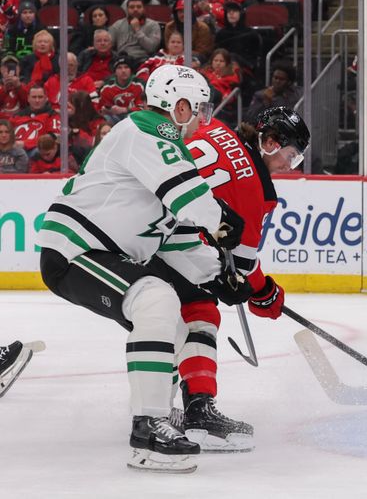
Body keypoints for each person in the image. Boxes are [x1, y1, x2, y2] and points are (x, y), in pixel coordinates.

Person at [37, 64, 250, 473]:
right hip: (76, 250)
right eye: (199, 108)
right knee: (156, 299)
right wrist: (219, 217)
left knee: (175, 327)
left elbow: (179, 238)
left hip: (103, 253)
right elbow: (190, 198)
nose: (202, 119)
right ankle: (147, 426)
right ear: (178, 104)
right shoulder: (147, 127)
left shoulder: (168, 150)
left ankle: (158, 416)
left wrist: (219, 276)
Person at [173, 106, 309, 451]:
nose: (287, 168)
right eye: (290, 157)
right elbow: (244, 266)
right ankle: (198, 408)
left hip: (138, 225)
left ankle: (158, 405)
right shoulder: (257, 192)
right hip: (170, 242)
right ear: (270, 142)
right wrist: (265, 293)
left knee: (167, 315)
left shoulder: (215, 127)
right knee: (201, 312)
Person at [108, 0, 162, 67]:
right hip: (121, 60)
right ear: (127, 9)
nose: (135, 9)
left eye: (139, 7)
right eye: (132, 7)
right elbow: (108, 46)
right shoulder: (117, 25)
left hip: (144, 59)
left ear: (144, 9)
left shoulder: (153, 25)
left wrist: (137, 30)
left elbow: (151, 48)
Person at [96, 55, 146, 123]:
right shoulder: (106, 88)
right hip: (114, 118)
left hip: (134, 119)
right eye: (119, 68)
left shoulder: (140, 85)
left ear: (130, 70)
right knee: (105, 119)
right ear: (115, 71)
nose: (123, 71)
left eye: (126, 67)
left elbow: (143, 108)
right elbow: (101, 109)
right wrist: (107, 110)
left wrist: (125, 110)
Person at [11, 83, 59, 153]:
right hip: (12, 150)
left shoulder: (52, 115)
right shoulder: (17, 116)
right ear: (28, 99)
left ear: (46, 99)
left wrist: (25, 144)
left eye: (40, 97)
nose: (37, 100)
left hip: (36, 152)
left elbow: (54, 138)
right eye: (34, 97)